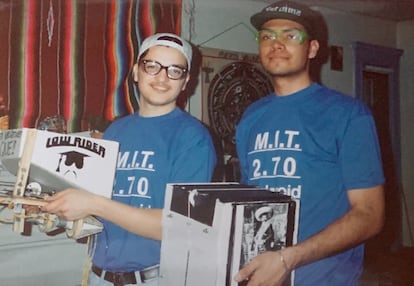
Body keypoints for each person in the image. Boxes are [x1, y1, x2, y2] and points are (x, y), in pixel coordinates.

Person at [43, 33, 217, 286]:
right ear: (136, 72)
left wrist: (94, 204)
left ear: (186, 81)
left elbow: (178, 225)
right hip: (99, 275)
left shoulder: (194, 138)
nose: (161, 77)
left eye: (174, 70)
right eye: (152, 66)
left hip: (154, 279)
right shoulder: (116, 131)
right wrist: (55, 208)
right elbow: (101, 209)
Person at [234, 1, 385, 285]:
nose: (276, 44)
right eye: (267, 36)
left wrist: (287, 259)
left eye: (291, 36)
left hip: (325, 278)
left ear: (312, 49)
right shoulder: (251, 117)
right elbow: (251, 203)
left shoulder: (349, 114)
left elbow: (370, 215)